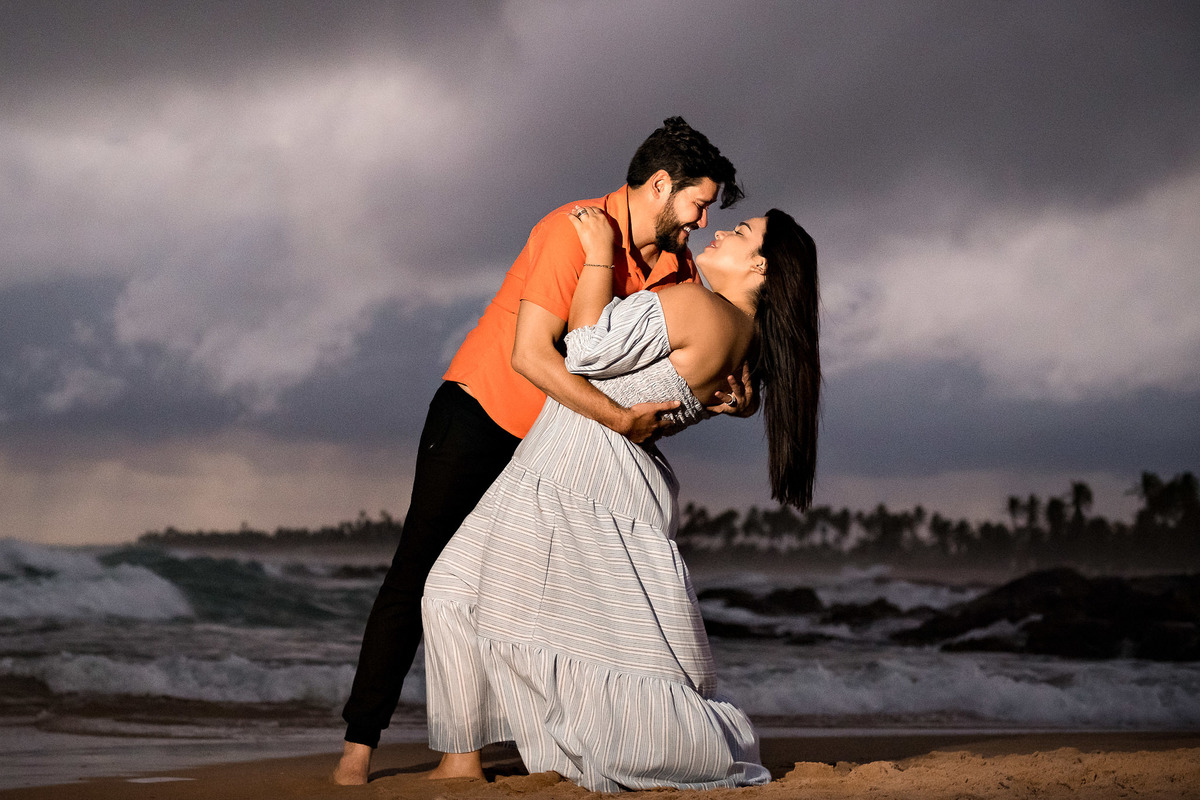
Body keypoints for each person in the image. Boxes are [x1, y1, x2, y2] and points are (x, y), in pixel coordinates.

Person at [333, 117, 748, 785]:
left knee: (516, 589)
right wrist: (619, 420)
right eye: (699, 204)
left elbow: (690, 353)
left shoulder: (676, 265)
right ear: (663, 185)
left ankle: (493, 744)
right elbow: (532, 356)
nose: (701, 222)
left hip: (555, 447)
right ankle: (359, 747)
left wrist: (734, 396)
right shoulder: (574, 228)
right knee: (420, 572)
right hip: (484, 411)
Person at [420, 206, 820, 791]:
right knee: (483, 602)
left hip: (577, 473)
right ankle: (466, 759)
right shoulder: (747, 342)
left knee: (460, 595)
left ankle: (473, 760)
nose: (720, 230)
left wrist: (600, 250)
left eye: (741, 232)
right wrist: (747, 401)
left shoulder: (698, 305)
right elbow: (726, 393)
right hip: (597, 475)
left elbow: (583, 349)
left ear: (761, 266)